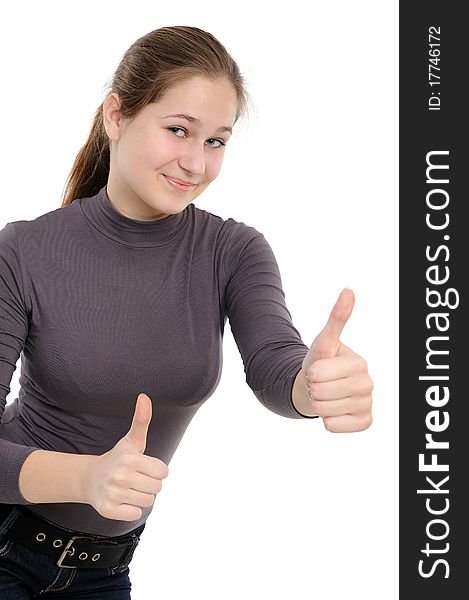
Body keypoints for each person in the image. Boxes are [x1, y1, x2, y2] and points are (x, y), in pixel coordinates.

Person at [0, 25, 373, 598]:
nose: (196, 163)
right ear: (116, 116)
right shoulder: (24, 251)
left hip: (104, 572)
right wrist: (85, 478)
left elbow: (275, 363)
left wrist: (312, 385)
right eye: (179, 131)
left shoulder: (232, 251)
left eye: (216, 141)